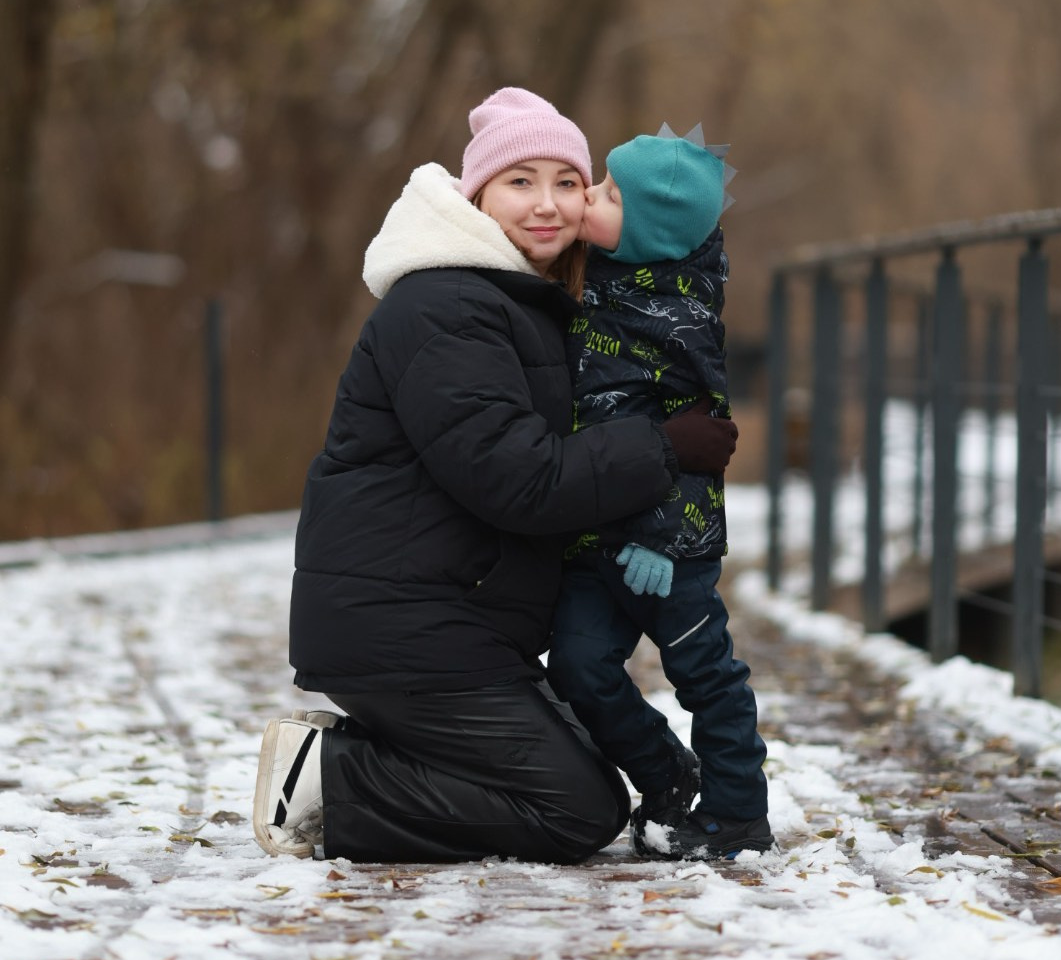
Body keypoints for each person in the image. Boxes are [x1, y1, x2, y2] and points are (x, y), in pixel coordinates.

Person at [252, 88, 739, 865]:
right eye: (521, 181)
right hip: (402, 630)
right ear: (477, 190)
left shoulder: (520, 298)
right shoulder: (447, 305)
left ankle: (400, 747)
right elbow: (519, 479)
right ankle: (333, 781)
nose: (547, 205)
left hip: (451, 626)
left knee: (587, 777)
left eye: (567, 183)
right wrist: (662, 446)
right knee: (576, 812)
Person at [545, 123, 772, 861]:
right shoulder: (603, 283)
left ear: (651, 233)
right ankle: (668, 775)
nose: (590, 199)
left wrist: (658, 539)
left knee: (705, 673)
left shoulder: (684, 322)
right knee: (578, 667)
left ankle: (739, 811)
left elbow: (704, 445)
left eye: (609, 196)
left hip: (666, 549)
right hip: (592, 537)